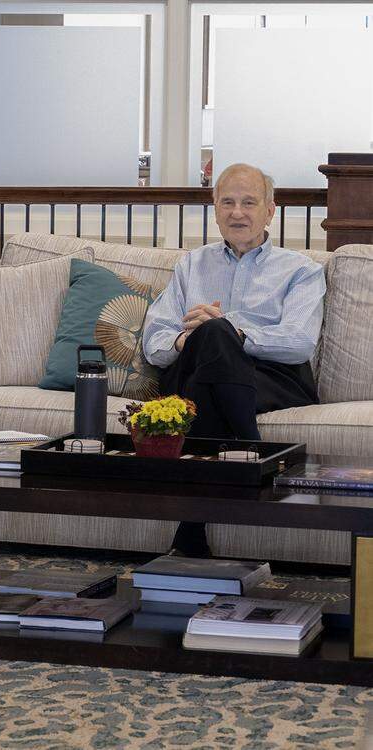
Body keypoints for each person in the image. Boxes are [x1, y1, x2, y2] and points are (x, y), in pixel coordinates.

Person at [141, 163, 325, 556]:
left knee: (217, 336)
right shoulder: (191, 264)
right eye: (227, 202)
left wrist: (235, 333)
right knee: (209, 338)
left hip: (272, 378)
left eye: (248, 202)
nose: (237, 212)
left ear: (270, 211)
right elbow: (154, 343)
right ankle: (252, 454)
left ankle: (192, 529)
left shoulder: (301, 271)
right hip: (197, 370)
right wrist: (186, 340)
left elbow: (298, 343)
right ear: (214, 208)